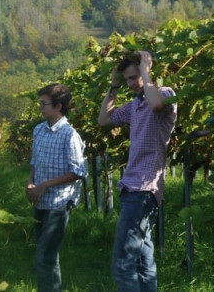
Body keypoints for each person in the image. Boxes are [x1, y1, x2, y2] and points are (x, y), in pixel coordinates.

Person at [97, 51, 177, 291]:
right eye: (128, 79)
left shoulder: (165, 94)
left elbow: (157, 104)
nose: (131, 83)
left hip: (144, 188)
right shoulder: (134, 105)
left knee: (123, 263)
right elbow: (104, 120)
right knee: (143, 261)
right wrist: (113, 87)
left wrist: (145, 69)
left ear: (146, 71)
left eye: (134, 77)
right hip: (131, 188)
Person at [26, 83, 87, 292]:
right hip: (40, 200)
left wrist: (45, 185)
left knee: (44, 259)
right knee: (48, 257)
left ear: (58, 106)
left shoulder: (70, 135)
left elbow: (78, 172)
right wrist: (31, 182)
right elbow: (35, 161)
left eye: (44, 104)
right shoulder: (39, 130)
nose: (41, 107)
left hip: (58, 204)